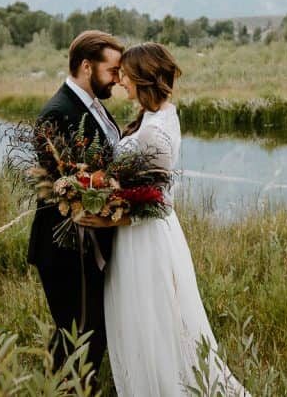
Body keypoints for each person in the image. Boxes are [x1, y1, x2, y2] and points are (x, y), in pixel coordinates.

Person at [76, 42, 249, 396]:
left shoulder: (155, 130)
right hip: (139, 236)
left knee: (151, 319)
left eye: (126, 75)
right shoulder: (155, 116)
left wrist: (111, 221)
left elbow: (159, 200)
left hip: (145, 240)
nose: (121, 81)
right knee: (145, 318)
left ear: (143, 78)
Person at [28, 30, 124, 378]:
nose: (118, 79)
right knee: (80, 336)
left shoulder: (93, 107)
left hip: (88, 244)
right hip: (65, 247)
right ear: (87, 66)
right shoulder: (57, 113)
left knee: (88, 334)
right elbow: (62, 186)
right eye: (112, 70)